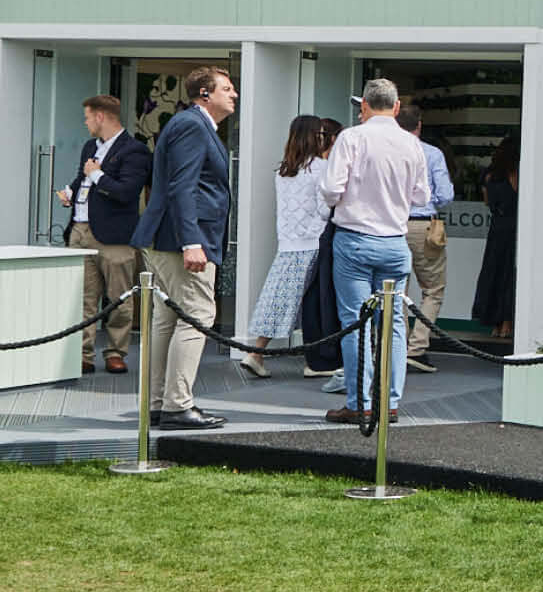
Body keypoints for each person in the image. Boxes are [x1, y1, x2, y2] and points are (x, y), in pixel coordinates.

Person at [128, 67, 236, 429]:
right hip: (181, 240)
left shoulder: (190, 124)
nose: (234, 94)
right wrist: (193, 242)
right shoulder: (192, 125)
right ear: (204, 93)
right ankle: (177, 405)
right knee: (198, 315)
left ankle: (158, 404)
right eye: (227, 88)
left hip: (166, 237)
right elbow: (183, 187)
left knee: (167, 318)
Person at [320, 80, 419, 426]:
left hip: (355, 238)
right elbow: (421, 196)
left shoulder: (351, 137)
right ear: (396, 106)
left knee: (354, 323)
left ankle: (360, 401)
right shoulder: (411, 143)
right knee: (392, 326)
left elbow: (331, 189)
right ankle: (389, 401)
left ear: (363, 105)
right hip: (394, 241)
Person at [242, 114, 342, 380]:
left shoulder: (284, 170)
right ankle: (317, 359)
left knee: (278, 298)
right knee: (316, 304)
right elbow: (324, 210)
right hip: (314, 241)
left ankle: (257, 351)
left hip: (287, 242)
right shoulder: (321, 168)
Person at [56, 95, 149, 375]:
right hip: (80, 231)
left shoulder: (135, 151)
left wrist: (97, 175)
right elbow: (81, 178)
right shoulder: (89, 146)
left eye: (87, 117)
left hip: (114, 237)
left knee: (119, 298)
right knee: (83, 297)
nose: (85, 123)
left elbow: (126, 192)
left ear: (100, 117)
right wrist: (70, 193)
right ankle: (83, 354)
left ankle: (115, 352)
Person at [398, 96, 455, 372]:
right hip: (423, 225)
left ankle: (395, 345)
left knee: (396, 291)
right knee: (432, 289)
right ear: (419, 125)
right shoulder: (432, 154)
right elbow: (445, 195)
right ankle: (417, 348)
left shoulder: (386, 151)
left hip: (391, 225)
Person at [469, 128, 521, 330]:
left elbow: (487, 202)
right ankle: (507, 322)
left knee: (493, 272)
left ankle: (494, 324)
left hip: (496, 227)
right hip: (512, 227)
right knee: (508, 274)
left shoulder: (489, 176)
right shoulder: (514, 174)